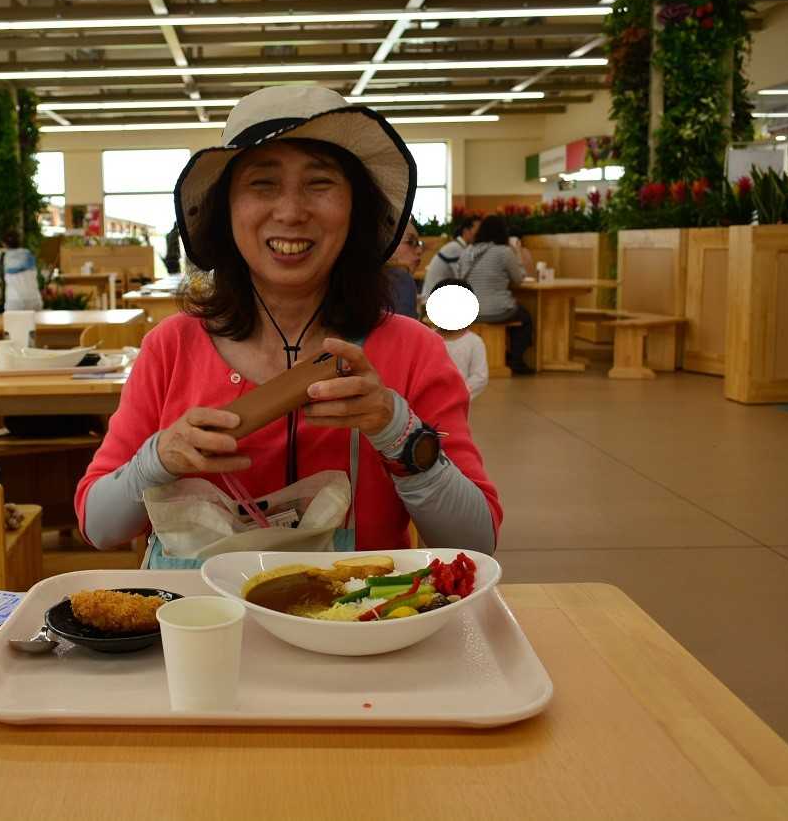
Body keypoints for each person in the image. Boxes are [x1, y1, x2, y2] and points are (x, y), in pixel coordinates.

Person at [74, 85, 501, 555]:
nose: (292, 212)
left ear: (355, 208)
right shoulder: (171, 346)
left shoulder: (412, 350)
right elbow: (99, 526)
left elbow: (475, 542)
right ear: (226, 209)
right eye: (263, 183)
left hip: (364, 605)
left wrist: (397, 430)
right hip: (201, 607)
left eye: (320, 183)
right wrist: (156, 460)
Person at [456, 215, 534, 374]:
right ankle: (516, 361)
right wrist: (517, 252)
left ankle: (504, 355)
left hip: (468, 310)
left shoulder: (467, 252)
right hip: (496, 309)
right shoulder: (504, 252)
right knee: (525, 318)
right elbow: (519, 279)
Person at [421, 212, 481, 298]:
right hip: (433, 297)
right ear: (466, 231)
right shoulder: (455, 248)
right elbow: (462, 279)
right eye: (478, 230)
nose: (480, 234)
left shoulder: (457, 246)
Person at [0, 228, 43, 312]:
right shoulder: (28, 255)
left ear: (3, 243)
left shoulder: (2, 257)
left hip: (14, 301)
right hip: (34, 300)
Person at [385, 220, 423, 317]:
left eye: (419, 243)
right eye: (410, 242)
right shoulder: (400, 278)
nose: (419, 250)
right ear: (385, 243)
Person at [443, 324, 488, 400]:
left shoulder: (475, 342)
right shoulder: (428, 338)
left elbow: (480, 377)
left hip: (458, 400)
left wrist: (456, 393)